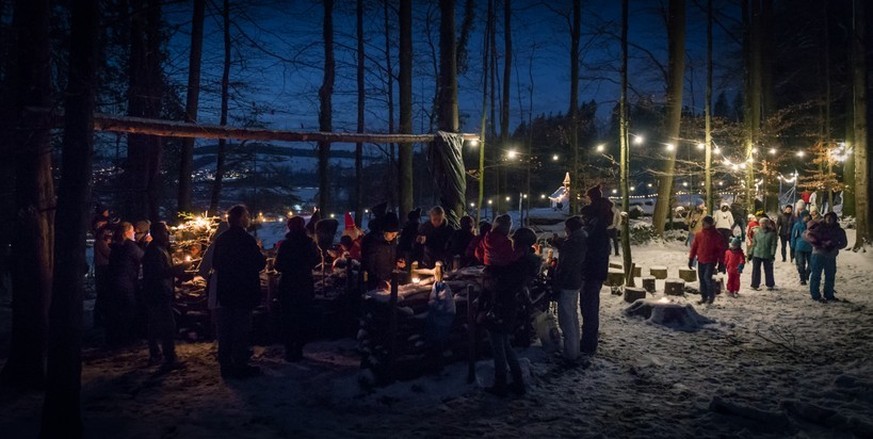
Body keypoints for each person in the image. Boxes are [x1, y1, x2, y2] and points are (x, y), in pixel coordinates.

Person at [482, 227, 540, 397]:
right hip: (508, 305)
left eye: (515, 241)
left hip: (503, 305)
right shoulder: (522, 261)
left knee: (498, 345)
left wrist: (494, 277)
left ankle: (501, 383)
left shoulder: (519, 263)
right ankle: (517, 382)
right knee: (504, 345)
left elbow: (506, 283)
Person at [213, 205, 266, 379]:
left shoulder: (221, 239)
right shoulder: (246, 240)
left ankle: (226, 365)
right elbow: (259, 264)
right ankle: (240, 365)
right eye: (247, 216)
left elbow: (215, 264)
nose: (249, 219)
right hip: (243, 291)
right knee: (241, 329)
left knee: (225, 330)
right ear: (241, 218)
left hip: (226, 291)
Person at [142, 222, 190, 371]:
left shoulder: (159, 249)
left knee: (155, 324)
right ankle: (169, 357)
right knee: (168, 325)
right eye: (165, 232)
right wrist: (178, 269)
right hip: (158, 293)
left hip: (157, 292)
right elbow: (159, 273)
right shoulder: (155, 251)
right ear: (157, 234)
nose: (168, 235)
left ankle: (155, 353)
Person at [274, 216, 322, 362]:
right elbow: (317, 260)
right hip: (304, 284)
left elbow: (278, 266)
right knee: (302, 317)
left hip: (288, 285)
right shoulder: (309, 243)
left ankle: (289, 349)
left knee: (288, 318)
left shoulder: (286, 245)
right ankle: (299, 348)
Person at [578, 185, 612, 355]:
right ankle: (587, 339)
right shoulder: (600, 221)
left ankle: (588, 343)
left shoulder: (596, 226)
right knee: (588, 306)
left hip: (592, 271)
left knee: (589, 307)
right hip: (595, 271)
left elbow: (591, 248)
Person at [552, 216, 587, 362]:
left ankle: (570, 353)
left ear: (570, 228)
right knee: (572, 316)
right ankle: (574, 349)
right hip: (576, 281)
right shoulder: (581, 239)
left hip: (568, 282)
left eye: (566, 227)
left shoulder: (572, 242)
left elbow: (566, 264)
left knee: (566, 318)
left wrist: (557, 281)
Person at [106, 221, 144, 348]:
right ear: (127, 232)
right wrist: (146, 244)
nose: (134, 233)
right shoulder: (130, 246)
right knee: (129, 311)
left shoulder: (116, 246)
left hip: (113, 282)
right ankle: (127, 340)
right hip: (126, 283)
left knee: (117, 312)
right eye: (132, 230)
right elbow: (143, 257)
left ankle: (115, 338)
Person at [803, 211, 848, 303]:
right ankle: (815, 295)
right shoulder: (817, 227)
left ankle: (828, 294)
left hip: (830, 255)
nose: (829, 220)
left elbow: (843, 243)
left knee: (830, 275)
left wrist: (834, 245)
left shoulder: (838, 230)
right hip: (818, 253)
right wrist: (821, 244)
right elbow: (808, 236)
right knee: (816, 274)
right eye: (828, 217)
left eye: (831, 218)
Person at [198, 222, 229, 336]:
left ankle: (223, 346)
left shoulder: (214, 247)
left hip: (219, 288)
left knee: (222, 322)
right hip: (237, 290)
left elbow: (203, 269)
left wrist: (210, 279)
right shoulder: (241, 245)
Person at [688, 216, 726, 305]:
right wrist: (691, 259)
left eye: (704, 223)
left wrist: (721, 262)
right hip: (701, 259)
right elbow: (694, 247)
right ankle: (704, 297)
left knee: (707, 278)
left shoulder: (717, 235)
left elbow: (721, 250)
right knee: (702, 279)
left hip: (711, 260)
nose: (703, 224)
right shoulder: (699, 234)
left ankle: (711, 296)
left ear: (710, 224)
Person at [361, 212, 404, 290]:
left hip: (388, 281)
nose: (394, 237)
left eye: (396, 234)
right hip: (374, 284)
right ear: (384, 232)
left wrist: (399, 259)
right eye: (392, 234)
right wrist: (379, 281)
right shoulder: (371, 241)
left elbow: (395, 253)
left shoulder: (391, 240)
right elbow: (368, 266)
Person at [93, 221, 113, 328]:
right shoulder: (101, 243)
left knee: (102, 295)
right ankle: (99, 319)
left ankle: (99, 318)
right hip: (103, 269)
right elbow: (109, 254)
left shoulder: (100, 242)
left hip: (102, 269)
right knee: (102, 295)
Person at [748, 217, 777, 291]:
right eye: (761, 223)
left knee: (768, 269)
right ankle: (755, 284)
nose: (762, 225)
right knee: (756, 270)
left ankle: (770, 284)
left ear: (767, 224)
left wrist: (772, 254)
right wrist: (750, 253)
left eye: (764, 223)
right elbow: (754, 243)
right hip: (757, 253)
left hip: (767, 253)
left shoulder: (772, 233)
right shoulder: (756, 232)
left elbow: (773, 244)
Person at [791, 211, 813, 286]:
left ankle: (807, 274)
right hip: (799, 247)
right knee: (801, 264)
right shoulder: (797, 225)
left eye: (808, 216)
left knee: (811, 263)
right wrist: (792, 247)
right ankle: (802, 278)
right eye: (805, 216)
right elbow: (793, 236)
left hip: (810, 246)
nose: (807, 217)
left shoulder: (812, 225)